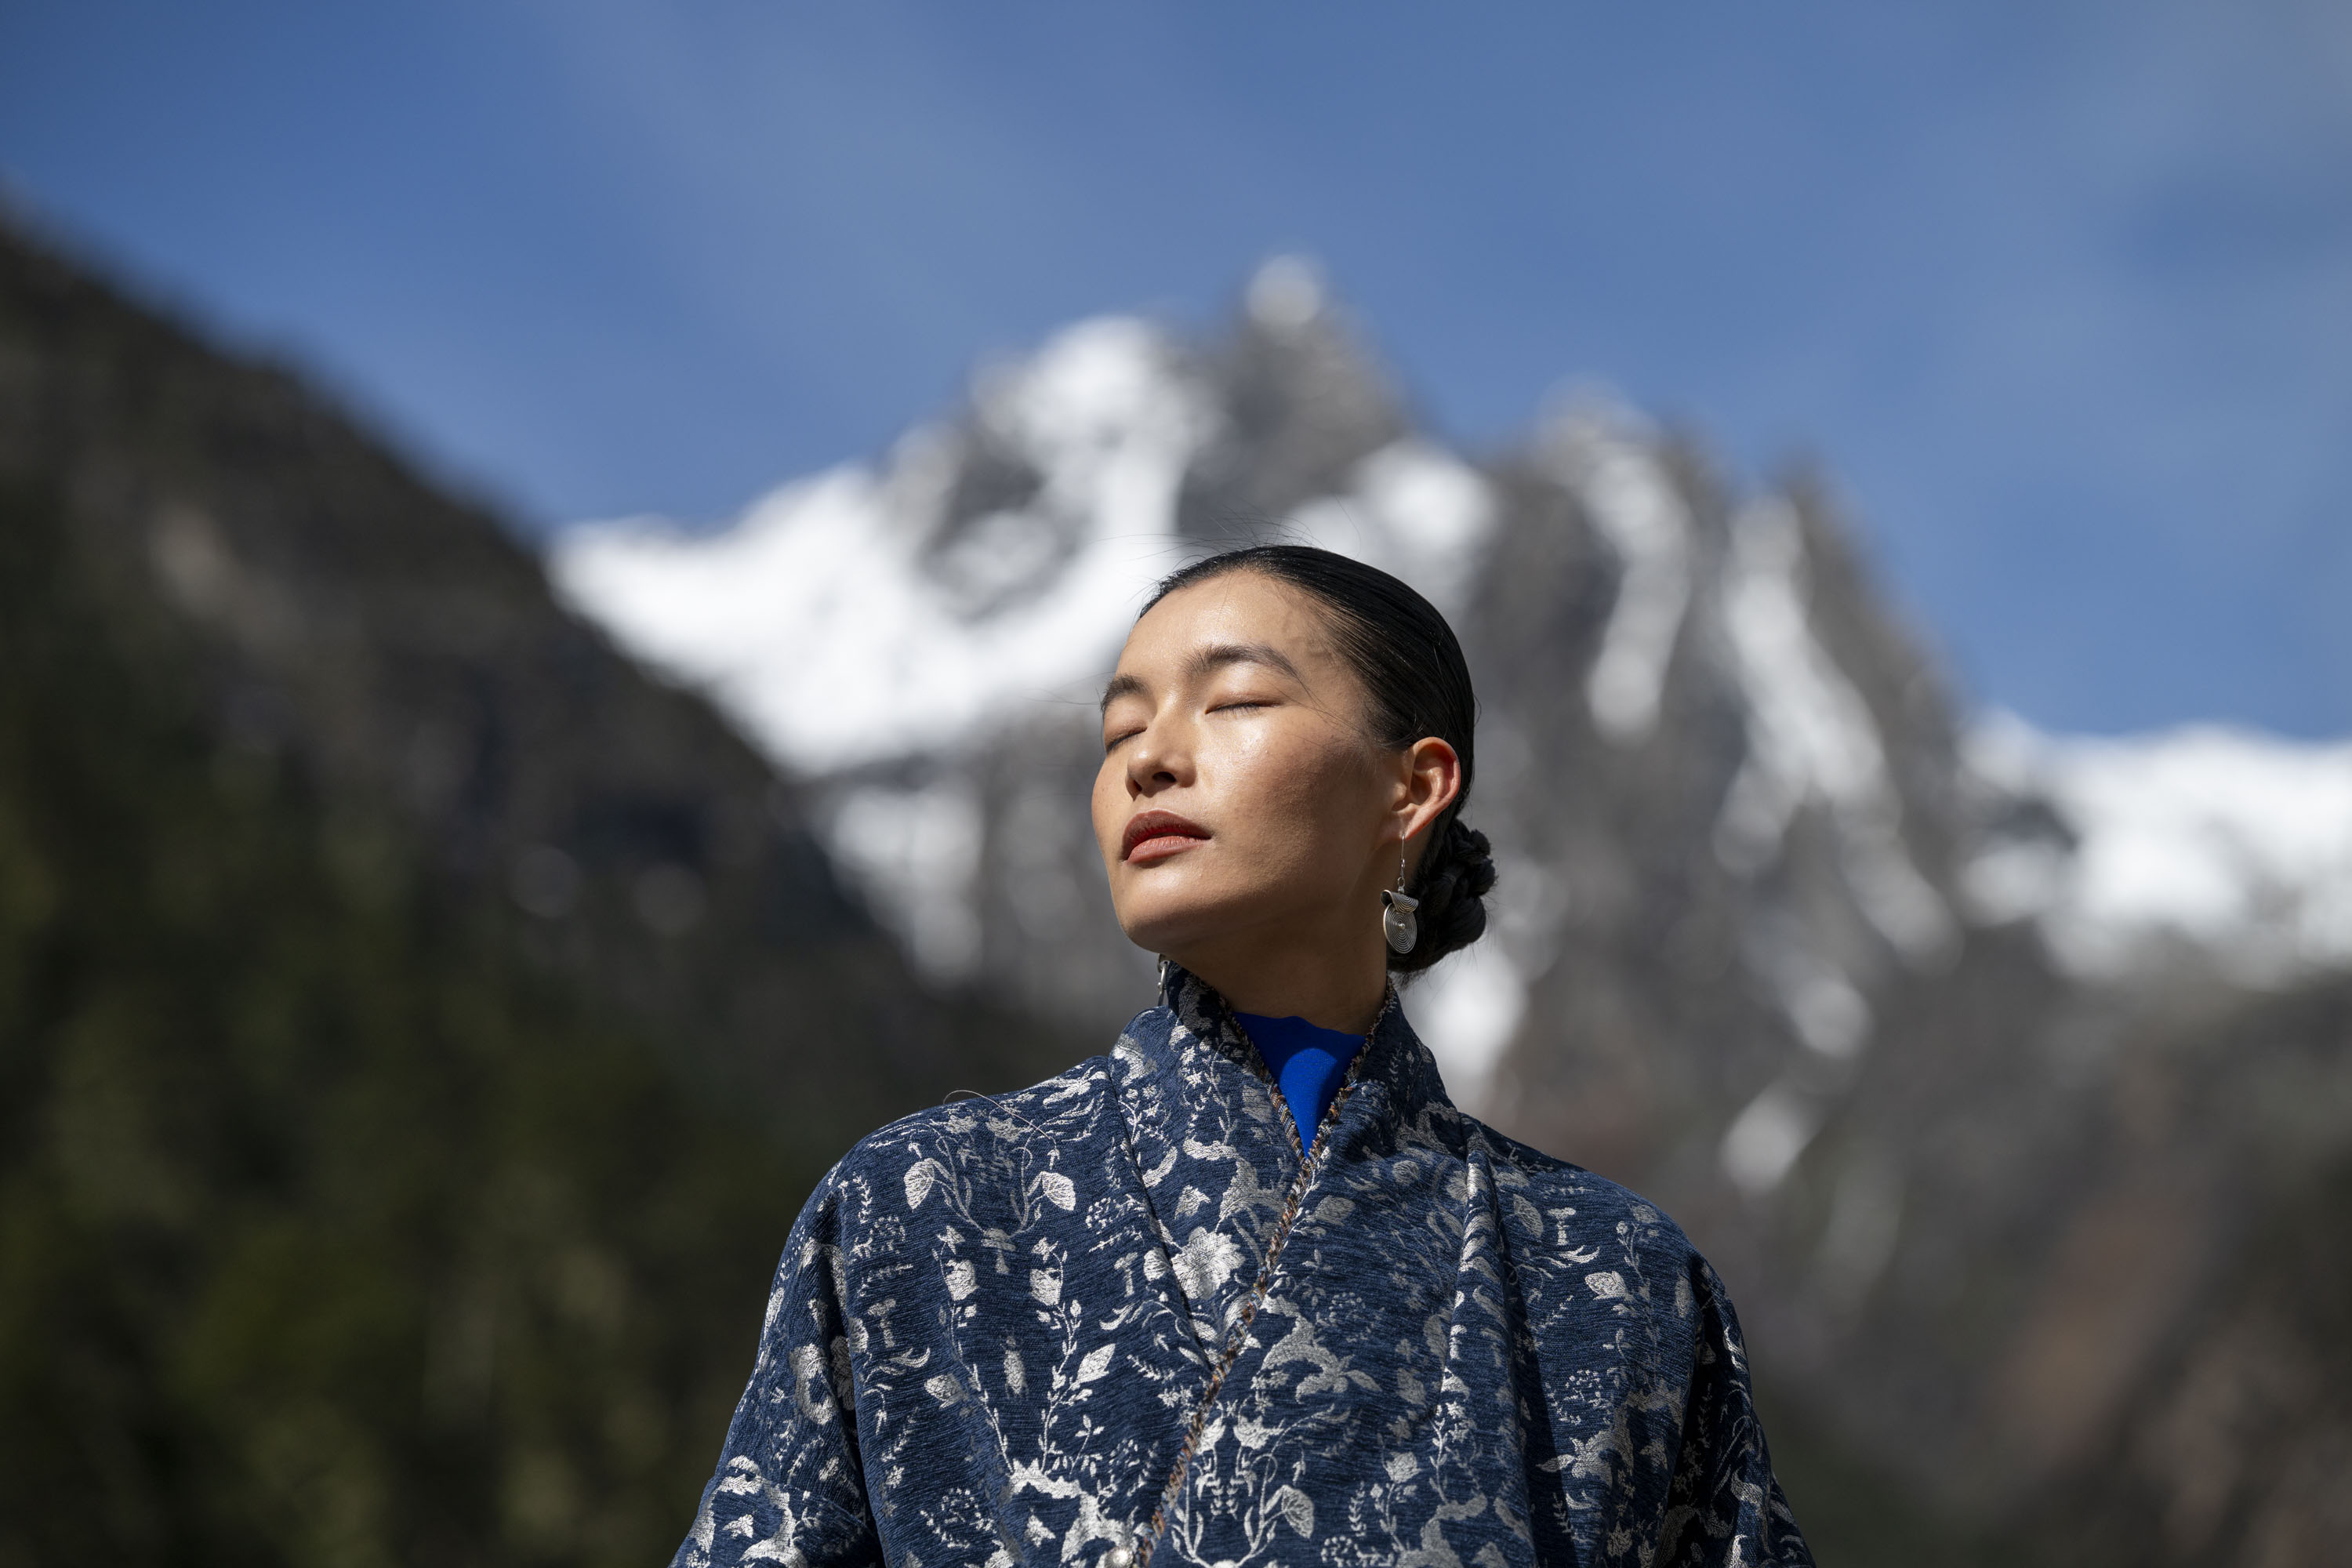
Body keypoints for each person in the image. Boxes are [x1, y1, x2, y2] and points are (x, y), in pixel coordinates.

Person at [674, 546, 1813, 1566]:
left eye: (1234, 701)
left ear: (1412, 788)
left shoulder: (1621, 1280)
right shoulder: (918, 1209)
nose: (1150, 761)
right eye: (1119, 731)